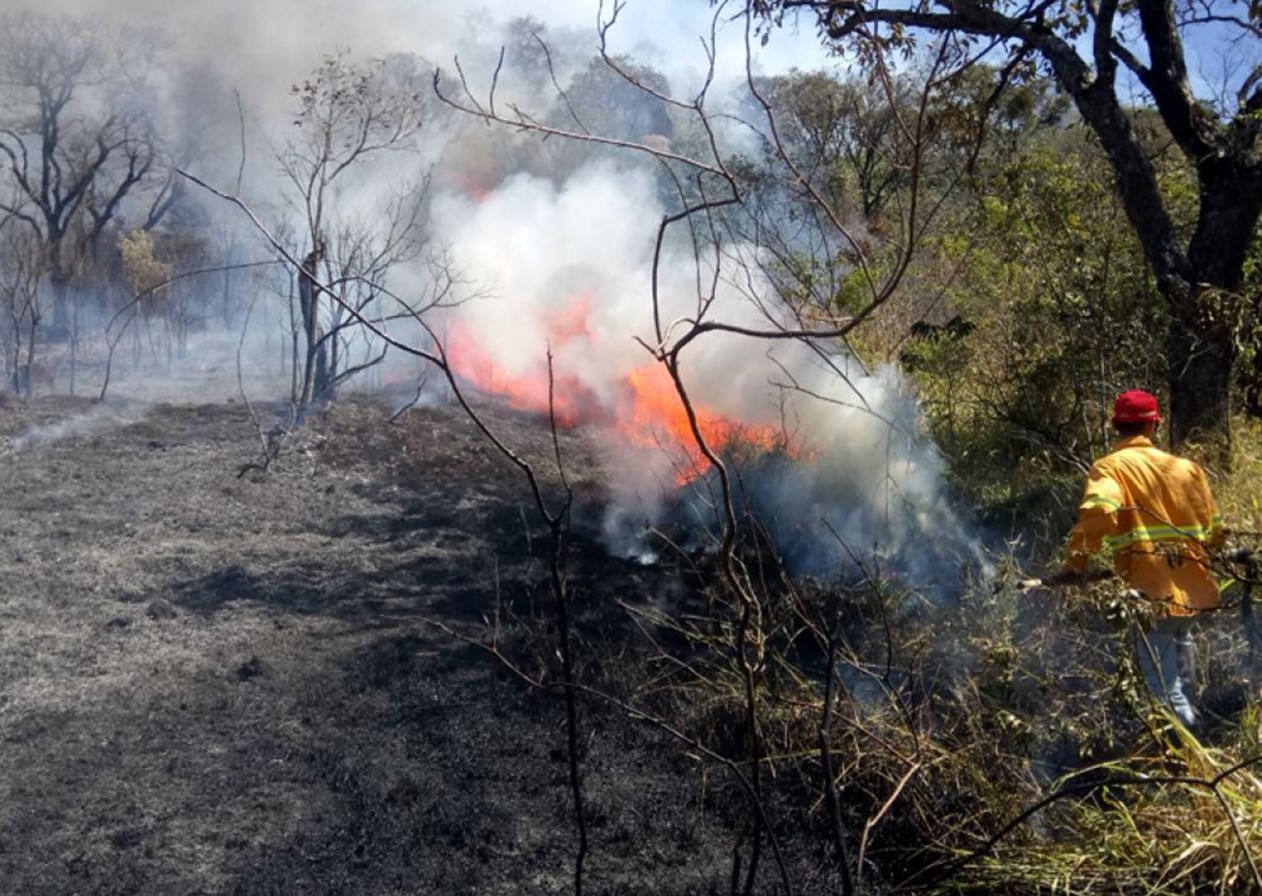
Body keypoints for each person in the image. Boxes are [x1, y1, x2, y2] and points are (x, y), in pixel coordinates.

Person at [1059, 389, 1224, 730]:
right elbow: (1215, 530)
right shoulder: (1187, 469)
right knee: (1180, 672)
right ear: (1153, 426)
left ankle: (1188, 756)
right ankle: (1199, 735)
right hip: (1193, 592)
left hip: (1152, 595)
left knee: (1162, 690)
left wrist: (1076, 564)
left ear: (1115, 425)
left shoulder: (1110, 468)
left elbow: (1099, 514)